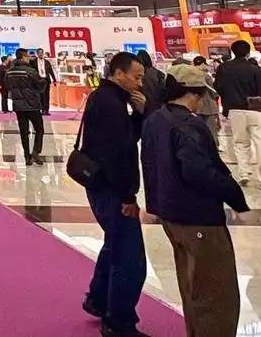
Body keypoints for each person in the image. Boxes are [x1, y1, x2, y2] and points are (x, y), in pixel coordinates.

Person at [141, 64, 250, 337]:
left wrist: (156, 205)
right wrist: (236, 197)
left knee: (191, 286)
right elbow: (198, 170)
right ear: (194, 94)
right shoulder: (188, 124)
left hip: (171, 214)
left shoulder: (155, 119)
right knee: (216, 293)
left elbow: (149, 164)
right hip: (199, 217)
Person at [79, 51, 147, 337]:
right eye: (136, 77)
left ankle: (98, 299)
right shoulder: (111, 103)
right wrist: (128, 197)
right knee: (130, 258)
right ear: (119, 74)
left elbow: (125, 139)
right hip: (112, 189)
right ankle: (119, 322)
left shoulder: (107, 98)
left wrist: (139, 114)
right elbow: (118, 154)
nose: (139, 83)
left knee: (115, 244)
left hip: (101, 184)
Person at [213, 39, 261, 187]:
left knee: (240, 142)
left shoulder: (224, 68)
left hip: (234, 110)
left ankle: (244, 173)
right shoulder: (256, 70)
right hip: (255, 109)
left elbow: (218, 87)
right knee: (260, 142)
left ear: (232, 51)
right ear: (248, 52)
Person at [7, 50, 45, 165]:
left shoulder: (10, 72)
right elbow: (40, 85)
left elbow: (6, 86)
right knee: (39, 129)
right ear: (23, 57)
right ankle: (36, 152)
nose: (29, 58)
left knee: (24, 132)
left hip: (18, 106)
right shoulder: (30, 71)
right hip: (33, 105)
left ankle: (27, 157)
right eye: (27, 56)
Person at [34, 48, 57, 114]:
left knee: (47, 95)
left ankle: (46, 110)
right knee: (40, 95)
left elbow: (51, 71)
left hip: (46, 80)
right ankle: (41, 109)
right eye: (39, 53)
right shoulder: (33, 61)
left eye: (42, 52)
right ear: (37, 54)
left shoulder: (47, 62)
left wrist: (54, 80)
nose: (41, 54)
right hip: (38, 80)